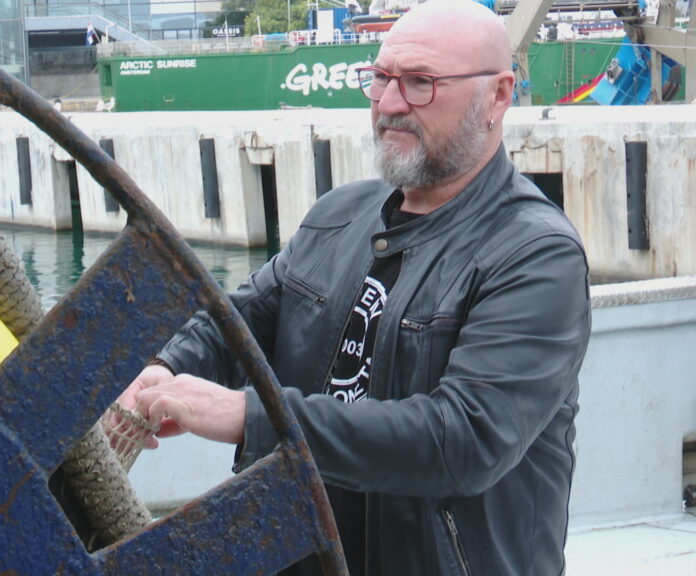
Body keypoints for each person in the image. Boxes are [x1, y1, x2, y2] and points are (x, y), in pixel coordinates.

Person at [118, 0, 591, 574]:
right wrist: (166, 367)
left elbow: (463, 441)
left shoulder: (536, 255)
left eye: (421, 83)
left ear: (498, 95)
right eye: (381, 79)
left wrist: (252, 417)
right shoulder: (337, 215)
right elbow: (238, 322)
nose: (390, 104)